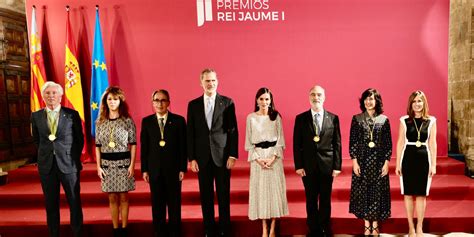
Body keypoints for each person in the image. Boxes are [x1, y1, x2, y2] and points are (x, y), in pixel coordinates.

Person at [187, 68, 238, 237]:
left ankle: (225, 229)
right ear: (201, 83)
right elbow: (191, 133)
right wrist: (192, 158)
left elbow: (232, 130)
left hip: (222, 156)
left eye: (213, 81)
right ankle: (209, 229)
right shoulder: (193, 105)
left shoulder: (228, 102)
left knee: (224, 195)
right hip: (202, 158)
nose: (210, 84)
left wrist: (232, 155)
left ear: (218, 82)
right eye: (207, 81)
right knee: (206, 196)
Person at [31, 81, 84, 237]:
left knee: (74, 201)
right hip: (47, 166)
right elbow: (37, 140)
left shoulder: (72, 114)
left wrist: (71, 157)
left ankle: (77, 232)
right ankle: (53, 233)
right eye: (48, 93)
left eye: (54, 93)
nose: (51, 96)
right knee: (50, 203)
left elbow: (79, 139)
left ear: (61, 95)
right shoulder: (36, 116)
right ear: (42, 96)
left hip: (69, 165)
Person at [293, 85, 342, 237]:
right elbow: (297, 144)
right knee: (311, 198)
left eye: (319, 94)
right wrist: (299, 165)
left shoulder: (333, 118)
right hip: (308, 166)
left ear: (324, 97)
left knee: (325, 199)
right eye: (313, 95)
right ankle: (313, 228)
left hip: (327, 165)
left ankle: (325, 227)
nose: (316, 97)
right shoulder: (301, 118)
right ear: (309, 97)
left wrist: (337, 166)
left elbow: (337, 143)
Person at [141, 89, 187, 237]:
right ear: (152, 103)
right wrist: (144, 170)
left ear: (168, 102)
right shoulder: (147, 121)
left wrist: (182, 168)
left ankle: (175, 233)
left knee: (174, 205)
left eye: (163, 100)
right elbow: (144, 147)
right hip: (154, 170)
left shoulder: (179, 121)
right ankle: (159, 232)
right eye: (156, 100)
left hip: (173, 170)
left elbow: (183, 146)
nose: (160, 103)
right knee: (157, 205)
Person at [245, 88, 289, 237]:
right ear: (257, 100)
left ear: (271, 101)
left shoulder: (276, 117)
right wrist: (258, 160)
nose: (264, 102)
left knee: (275, 193)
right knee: (261, 193)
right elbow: (249, 143)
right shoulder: (250, 118)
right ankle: (264, 227)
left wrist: (272, 158)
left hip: (274, 158)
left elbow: (281, 141)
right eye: (262, 99)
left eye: (267, 99)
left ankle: (273, 228)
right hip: (257, 159)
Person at [349, 88, 392, 235]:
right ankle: (367, 224)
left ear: (377, 101)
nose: (368, 101)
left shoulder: (384, 120)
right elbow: (353, 142)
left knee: (377, 193)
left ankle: (376, 225)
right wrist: (354, 161)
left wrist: (387, 162)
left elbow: (388, 143)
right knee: (364, 193)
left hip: (379, 162)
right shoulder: (357, 119)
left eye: (371, 99)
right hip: (362, 160)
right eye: (366, 99)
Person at [95, 87, 136, 237]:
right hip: (107, 165)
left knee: (124, 197)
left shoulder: (127, 121)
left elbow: (133, 144)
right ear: (105, 102)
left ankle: (124, 229)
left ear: (120, 101)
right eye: (109, 99)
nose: (112, 102)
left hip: (124, 163)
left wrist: (131, 164)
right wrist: (99, 167)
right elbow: (98, 147)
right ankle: (115, 229)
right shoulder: (100, 122)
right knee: (112, 197)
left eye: (115, 99)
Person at [395, 90, 437, 237]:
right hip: (408, 158)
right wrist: (398, 164)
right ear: (410, 104)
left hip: (424, 159)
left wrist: (433, 165)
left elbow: (432, 143)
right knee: (407, 194)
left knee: (421, 195)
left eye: (419, 101)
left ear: (424, 102)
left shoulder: (431, 120)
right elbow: (400, 143)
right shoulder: (404, 120)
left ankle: (419, 227)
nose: (417, 104)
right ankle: (410, 228)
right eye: (414, 101)